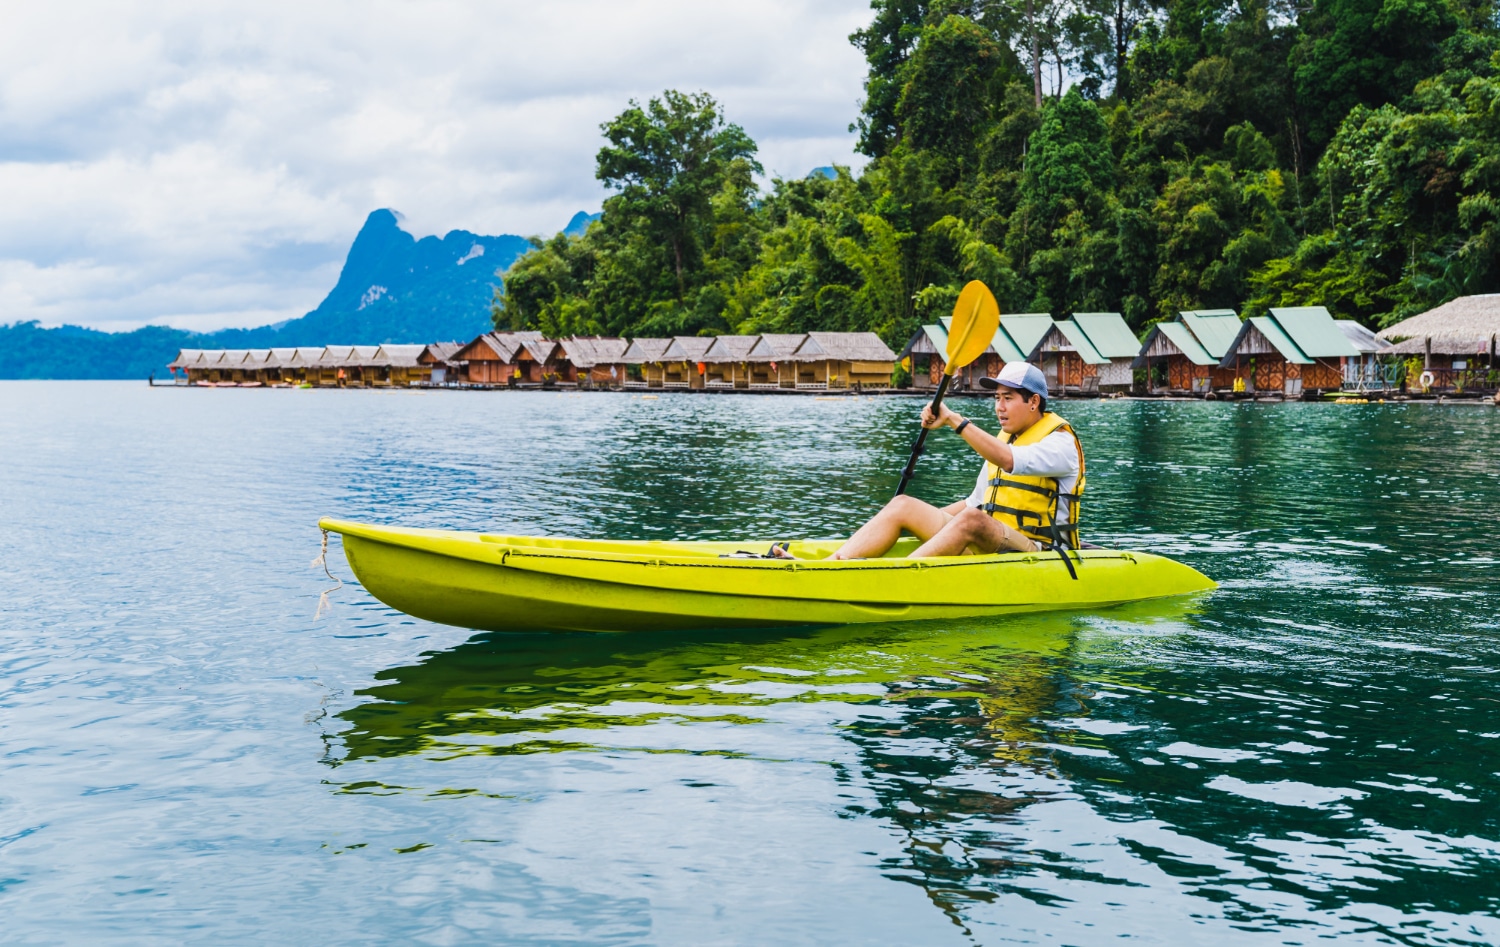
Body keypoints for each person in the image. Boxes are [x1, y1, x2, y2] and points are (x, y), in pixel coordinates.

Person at [777, 362, 1084, 560]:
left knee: (972, 521)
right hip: (989, 538)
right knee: (904, 505)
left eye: (1008, 398)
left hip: (1041, 552)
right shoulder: (1006, 438)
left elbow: (1008, 461)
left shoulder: (1060, 442)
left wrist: (954, 420)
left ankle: (889, 578)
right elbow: (972, 504)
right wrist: (921, 520)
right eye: (996, 398)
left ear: (1034, 402)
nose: (999, 407)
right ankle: (831, 566)